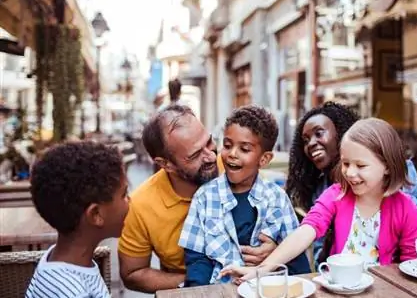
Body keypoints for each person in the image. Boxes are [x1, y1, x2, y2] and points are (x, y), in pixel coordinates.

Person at [220, 118, 417, 282]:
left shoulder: (406, 209)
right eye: (345, 163)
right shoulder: (336, 194)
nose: (350, 173)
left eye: (361, 166)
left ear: (387, 165)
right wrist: (262, 270)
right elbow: (306, 230)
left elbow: (410, 267)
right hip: (336, 288)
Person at [118, 105, 277, 293]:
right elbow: (132, 274)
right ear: (165, 164)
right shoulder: (140, 205)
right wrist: (198, 280)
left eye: (209, 142)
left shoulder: (234, 165)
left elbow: (276, 212)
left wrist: (275, 249)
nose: (211, 157)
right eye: (195, 155)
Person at [286, 102, 417, 262]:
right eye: (305, 140)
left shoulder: (400, 174)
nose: (311, 143)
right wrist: (331, 244)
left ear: (342, 134)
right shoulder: (324, 192)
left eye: (319, 133)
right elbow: (317, 249)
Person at [179, 105, 310, 287]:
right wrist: (199, 291)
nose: (232, 154)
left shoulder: (277, 199)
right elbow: (197, 260)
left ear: (264, 159)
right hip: (220, 290)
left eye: (245, 149)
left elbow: (296, 258)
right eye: (227, 145)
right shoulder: (204, 198)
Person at [26, 142, 128, 298]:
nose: (130, 201)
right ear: (96, 214)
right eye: (124, 195)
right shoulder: (74, 292)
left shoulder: (58, 259)